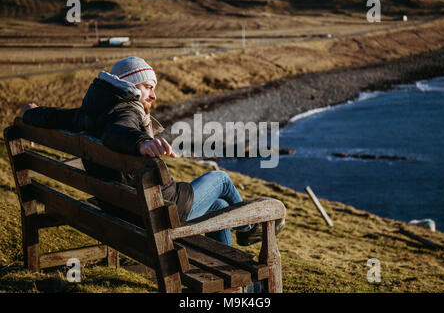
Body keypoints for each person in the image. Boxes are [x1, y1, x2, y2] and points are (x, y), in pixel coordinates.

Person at [20, 57, 284, 247]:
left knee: (219, 206)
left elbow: (53, 116)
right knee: (221, 180)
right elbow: (118, 131)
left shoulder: (89, 113)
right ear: (130, 85)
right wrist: (140, 142)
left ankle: (228, 266)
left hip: (123, 209)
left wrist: (30, 113)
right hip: (157, 212)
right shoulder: (125, 111)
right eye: (148, 86)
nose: (154, 96)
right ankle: (248, 228)